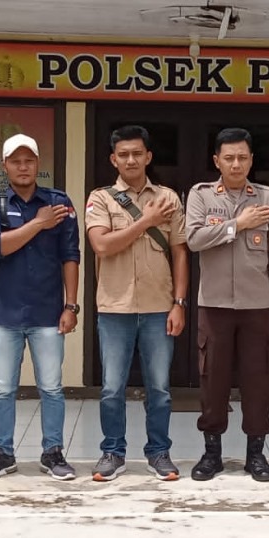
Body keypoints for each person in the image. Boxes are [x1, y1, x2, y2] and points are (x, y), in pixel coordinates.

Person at [184, 128, 269, 482]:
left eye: (242, 157)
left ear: (251, 160)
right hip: (214, 305)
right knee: (212, 380)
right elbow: (194, 238)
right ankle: (211, 453)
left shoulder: (267, 198)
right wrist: (237, 225)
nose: (236, 164)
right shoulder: (201, 195)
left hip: (258, 307)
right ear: (216, 160)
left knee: (257, 380)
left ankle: (256, 455)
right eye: (229, 158)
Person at [0, 134, 80, 482]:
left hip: (48, 313)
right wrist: (37, 224)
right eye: (16, 161)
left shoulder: (58, 203)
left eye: (29, 160)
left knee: (51, 388)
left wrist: (71, 305)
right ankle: (2, 453)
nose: (23, 167)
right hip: (5, 314)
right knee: (3, 388)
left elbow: (70, 256)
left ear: (38, 164)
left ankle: (53, 453)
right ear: (4, 165)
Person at [85, 124, 189, 482]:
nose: (131, 160)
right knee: (112, 388)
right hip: (115, 308)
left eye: (137, 153)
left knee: (159, 388)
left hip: (159, 307)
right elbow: (102, 245)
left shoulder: (168, 198)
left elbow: (180, 252)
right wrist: (146, 221)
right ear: (113, 160)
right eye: (123, 154)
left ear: (148, 156)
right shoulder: (101, 199)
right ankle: (112, 452)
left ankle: (159, 452)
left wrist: (179, 302)